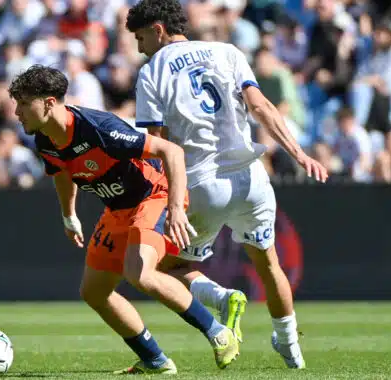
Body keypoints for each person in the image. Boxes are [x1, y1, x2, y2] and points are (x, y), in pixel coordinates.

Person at [126, 0, 329, 369]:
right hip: (252, 179)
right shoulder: (227, 52)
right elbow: (263, 107)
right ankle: (291, 349)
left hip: (201, 184)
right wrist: (299, 154)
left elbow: (156, 143)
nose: (140, 47)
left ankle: (221, 300)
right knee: (270, 267)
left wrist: (163, 198)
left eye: (141, 37)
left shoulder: (151, 71)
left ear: (157, 29)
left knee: (165, 270)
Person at [8, 65, 240, 374]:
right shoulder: (45, 140)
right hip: (117, 209)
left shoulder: (98, 129)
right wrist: (69, 215)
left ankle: (219, 333)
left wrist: (176, 208)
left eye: (24, 103)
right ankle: (155, 361)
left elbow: (171, 152)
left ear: (49, 103)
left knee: (139, 273)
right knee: (93, 292)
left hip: (152, 195)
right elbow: (61, 173)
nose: (16, 112)